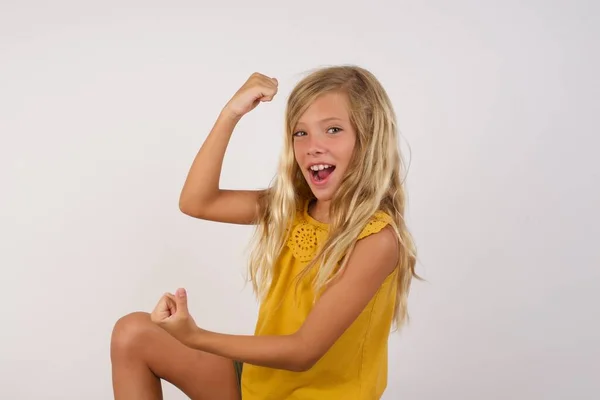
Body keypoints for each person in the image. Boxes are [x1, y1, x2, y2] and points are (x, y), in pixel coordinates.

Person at [110, 65, 420, 400]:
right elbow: (196, 201)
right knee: (132, 333)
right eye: (300, 133)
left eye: (332, 130)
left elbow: (303, 351)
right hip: (259, 387)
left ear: (369, 138)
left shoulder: (377, 240)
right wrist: (231, 112)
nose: (313, 146)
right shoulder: (290, 208)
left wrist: (194, 336)